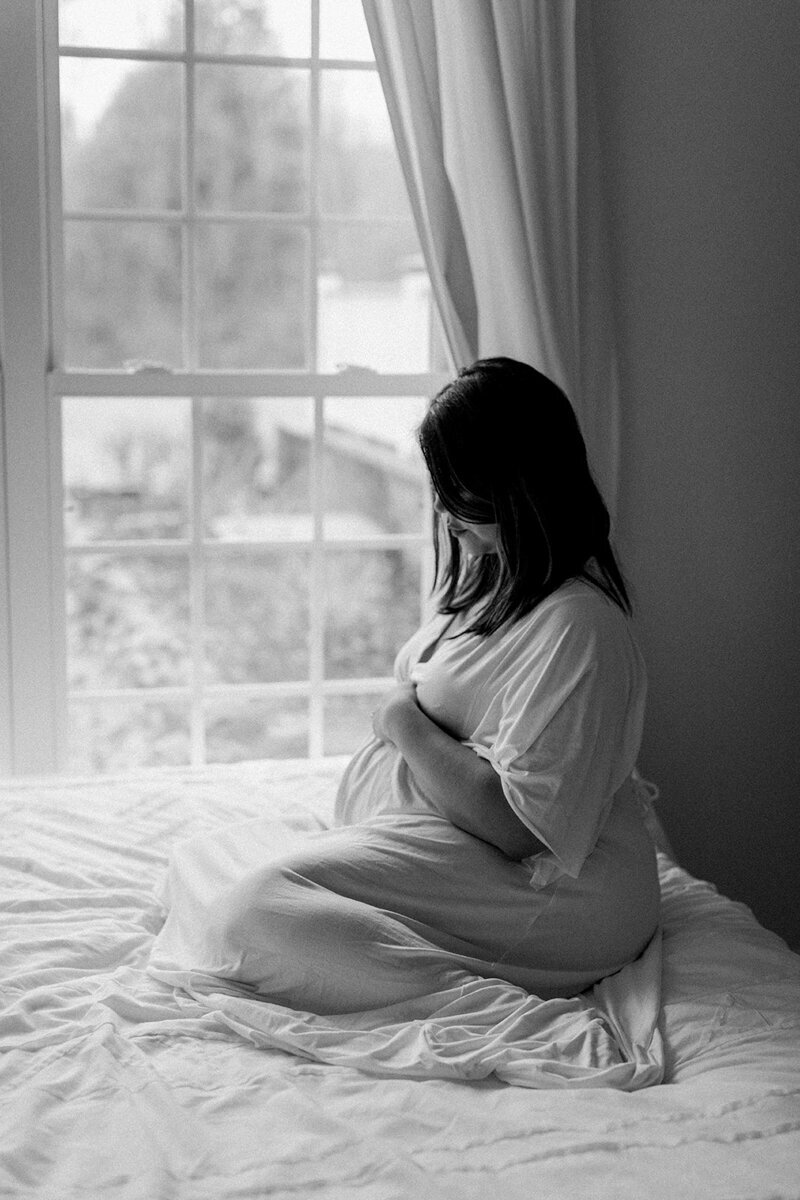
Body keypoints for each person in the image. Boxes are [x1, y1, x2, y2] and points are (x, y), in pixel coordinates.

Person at [154, 357, 661, 1019]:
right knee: (196, 860)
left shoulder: (578, 627)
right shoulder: (497, 580)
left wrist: (400, 721)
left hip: (547, 891)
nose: (444, 506)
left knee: (249, 917)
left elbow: (516, 826)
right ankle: (388, 947)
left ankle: (463, 988)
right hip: (453, 850)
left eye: (458, 488)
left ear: (514, 485)